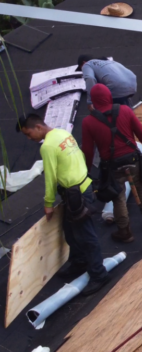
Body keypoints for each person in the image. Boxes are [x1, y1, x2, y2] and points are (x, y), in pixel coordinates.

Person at [16, 114, 110, 295]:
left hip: (77, 194)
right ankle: (79, 261)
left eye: (29, 134)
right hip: (82, 187)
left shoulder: (48, 146)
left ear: (38, 127)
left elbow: (50, 177)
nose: (29, 138)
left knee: (86, 235)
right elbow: (81, 155)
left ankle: (99, 274)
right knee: (69, 229)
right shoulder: (63, 133)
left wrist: (49, 203)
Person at [81, 84, 142, 243]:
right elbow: (141, 132)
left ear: (93, 101)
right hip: (133, 160)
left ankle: (125, 231)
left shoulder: (88, 122)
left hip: (112, 166)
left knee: (118, 198)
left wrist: (86, 169)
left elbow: (88, 150)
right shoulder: (125, 110)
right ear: (109, 96)